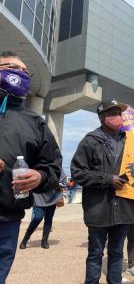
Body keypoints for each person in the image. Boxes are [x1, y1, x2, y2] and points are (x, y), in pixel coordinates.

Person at [0, 51, 62, 283]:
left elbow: (53, 166)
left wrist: (40, 176)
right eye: (13, 68)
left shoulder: (34, 121)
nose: (21, 74)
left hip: (8, 219)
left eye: (25, 72)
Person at [71, 99, 134, 284]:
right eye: (113, 113)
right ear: (102, 118)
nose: (118, 117)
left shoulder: (130, 142)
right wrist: (108, 179)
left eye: (119, 113)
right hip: (98, 209)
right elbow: (77, 173)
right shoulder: (90, 141)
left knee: (117, 253)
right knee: (95, 253)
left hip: (124, 209)